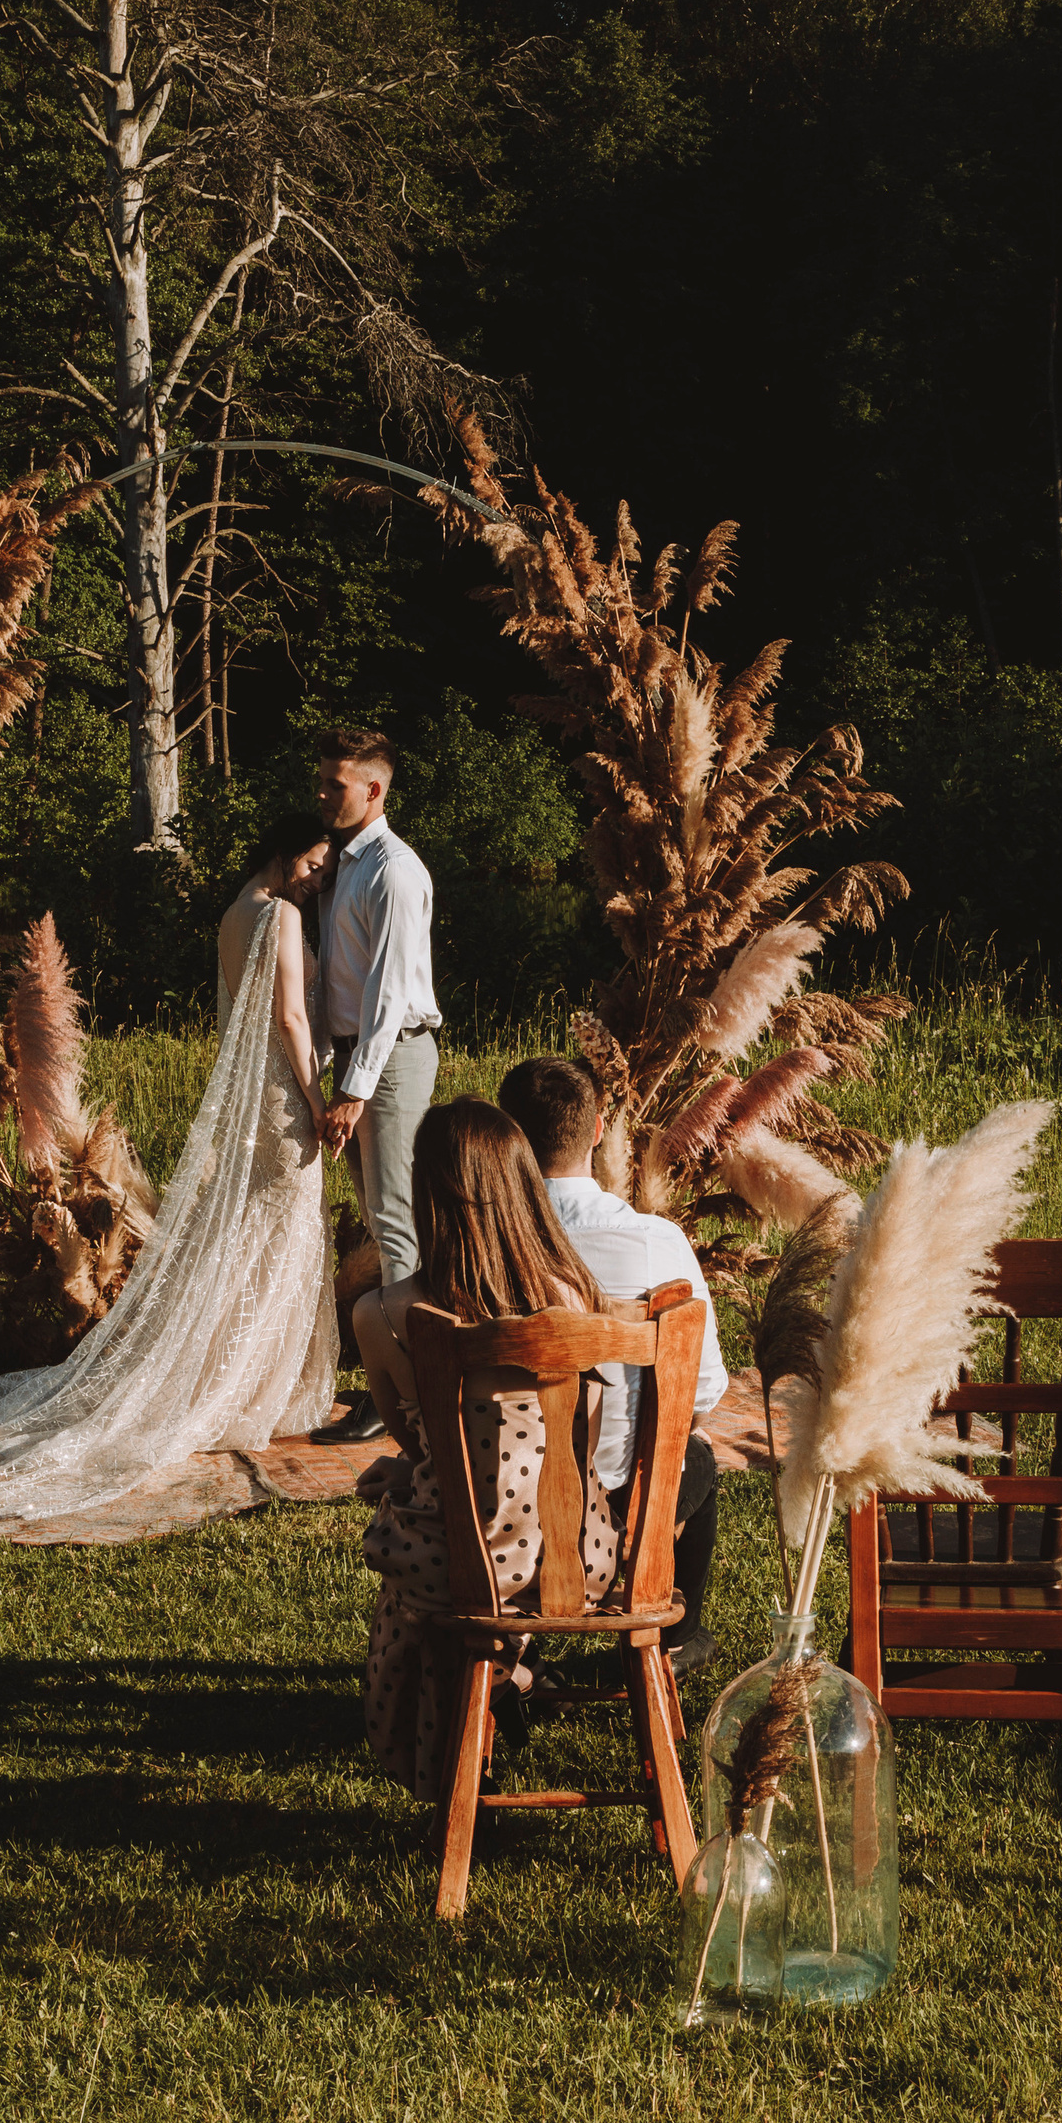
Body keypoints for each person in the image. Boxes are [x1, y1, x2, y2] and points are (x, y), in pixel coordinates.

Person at [0, 818, 341, 1522]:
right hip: (284, 1097)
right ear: (283, 851)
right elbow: (290, 1019)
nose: (317, 880)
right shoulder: (282, 916)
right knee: (277, 1237)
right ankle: (248, 1387)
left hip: (252, 1098)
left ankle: (235, 1378)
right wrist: (320, 1101)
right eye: (313, 865)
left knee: (252, 1240)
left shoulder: (237, 912)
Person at [356, 1098, 617, 1802]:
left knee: (415, 1582)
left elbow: (418, 1442)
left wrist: (412, 1472)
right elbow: (584, 1438)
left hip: (458, 1564)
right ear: (523, 1184)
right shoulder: (576, 1296)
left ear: (427, 1193)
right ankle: (507, 1676)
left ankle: (470, 1737)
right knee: (455, 1562)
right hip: (580, 1555)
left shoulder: (383, 1315)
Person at [496, 1054, 728, 1678]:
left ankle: (513, 1652)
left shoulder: (480, 1247)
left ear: (507, 1134)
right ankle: (674, 1638)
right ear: (599, 1129)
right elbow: (704, 1390)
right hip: (625, 1501)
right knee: (698, 1454)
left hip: (499, 1505)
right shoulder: (657, 1243)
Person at [309, 727, 442, 1447]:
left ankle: (414, 1395)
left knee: (396, 1224)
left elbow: (388, 993)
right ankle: (398, 1380)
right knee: (381, 1218)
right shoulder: (344, 866)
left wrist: (355, 1088)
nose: (323, 794)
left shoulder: (394, 870)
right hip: (359, 1058)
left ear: (374, 789)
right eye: (322, 781)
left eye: (336, 784)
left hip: (390, 1061)